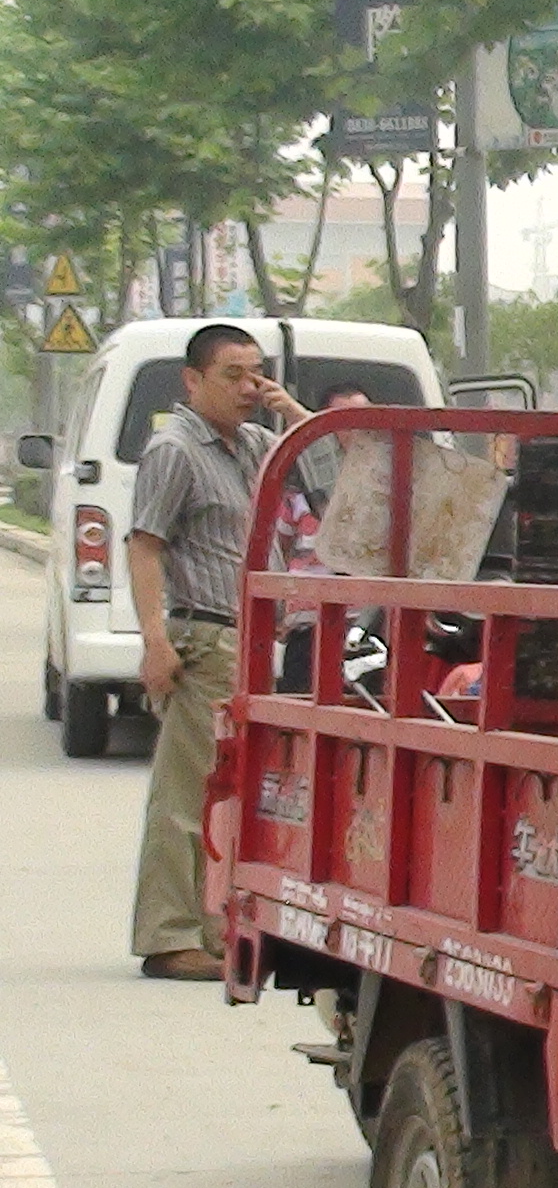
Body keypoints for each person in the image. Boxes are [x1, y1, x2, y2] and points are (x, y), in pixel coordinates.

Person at [125, 323, 311, 981]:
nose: (248, 388)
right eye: (232, 375)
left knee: (234, 796)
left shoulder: (254, 444)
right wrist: (155, 641)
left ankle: (216, 929)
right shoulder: (175, 450)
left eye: (255, 374)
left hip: (252, 641)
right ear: (193, 380)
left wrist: (293, 413)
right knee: (191, 791)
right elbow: (144, 545)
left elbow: (330, 475)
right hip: (205, 638)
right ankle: (170, 935)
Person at [273, 382, 375, 695]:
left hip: (367, 630)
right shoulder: (298, 491)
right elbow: (276, 550)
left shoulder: (389, 482)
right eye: (344, 422)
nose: (356, 431)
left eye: (365, 420)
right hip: (309, 630)